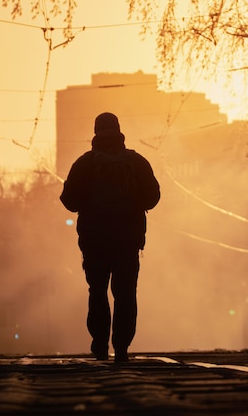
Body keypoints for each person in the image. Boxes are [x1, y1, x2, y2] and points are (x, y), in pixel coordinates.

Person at [60, 112, 160, 362]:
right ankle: (122, 347)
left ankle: (101, 345)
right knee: (126, 293)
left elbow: (69, 201)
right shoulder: (136, 163)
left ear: (96, 132)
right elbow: (153, 197)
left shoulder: (85, 163)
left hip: (94, 242)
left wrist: (90, 203)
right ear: (119, 131)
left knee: (97, 291)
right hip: (128, 241)